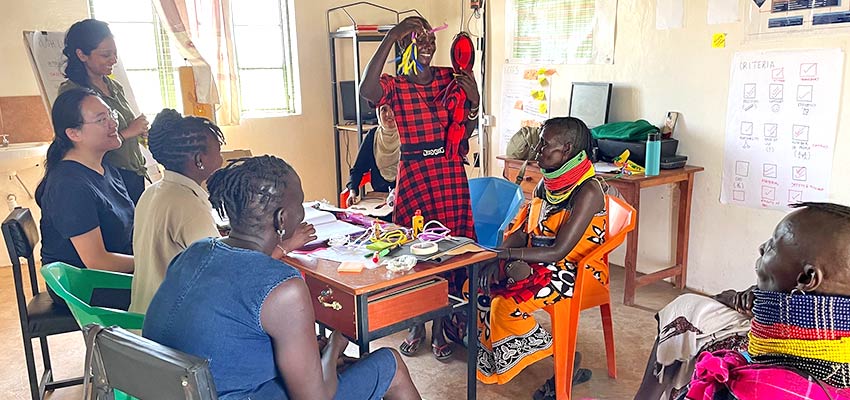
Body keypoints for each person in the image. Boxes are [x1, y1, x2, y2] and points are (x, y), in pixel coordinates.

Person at [143, 156, 421, 400]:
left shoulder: (196, 251)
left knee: (324, 366)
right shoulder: (282, 286)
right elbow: (316, 398)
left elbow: (230, 336)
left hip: (191, 390)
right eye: (300, 203)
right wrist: (337, 342)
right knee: (390, 363)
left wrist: (316, 354)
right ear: (282, 219)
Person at [636, 202, 850, 400]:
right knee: (688, 306)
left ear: (806, 278)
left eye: (774, 245)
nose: (762, 247)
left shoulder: (746, 390)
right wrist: (754, 296)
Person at [360, 15, 479, 362]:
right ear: (403, 44)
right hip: (415, 173)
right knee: (414, 253)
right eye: (417, 39)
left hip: (449, 172)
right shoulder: (394, 86)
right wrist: (392, 35)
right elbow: (366, 90)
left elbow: (466, 129)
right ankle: (416, 323)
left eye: (430, 39)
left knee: (448, 250)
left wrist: (473, 101)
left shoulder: (449, 77)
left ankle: (442, 325)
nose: (426, 45)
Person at [474, 117, 605, 394]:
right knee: (477, 285)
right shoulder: (549, 184)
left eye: (545, 145)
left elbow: (559, 251)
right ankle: (511, 352)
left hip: (576, 270)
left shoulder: (588, 191)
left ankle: (564, 359)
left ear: (567, 150)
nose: (537, 152)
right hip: (539, 259)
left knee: (503, 306)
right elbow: (525, 229)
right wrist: (497, 256)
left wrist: (506, 254)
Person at [36, 87, 135, 309]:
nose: (112, 123)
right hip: (84, 285)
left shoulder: (104, 168)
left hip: (111, 274)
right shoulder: (69, 185)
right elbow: (97, 261)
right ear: (74, 134)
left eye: (111, 114)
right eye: (101, 119)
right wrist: (153, 263)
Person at [128, 109, 225, 315]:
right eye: (218, 151)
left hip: (143, 317)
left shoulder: (153, 191)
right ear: (199, 160)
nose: (222, 159)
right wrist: (281, 248)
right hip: (168, 329)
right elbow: (222, 271)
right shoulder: (187, 204)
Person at [60, 19, 149, 204]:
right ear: (82, 55)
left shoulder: (114, 86)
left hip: (132, 172)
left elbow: (125, 127)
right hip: (106, 177)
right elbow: (82, 144)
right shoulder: (73, 93)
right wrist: (129, 131)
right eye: (105, 55)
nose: (114, 60)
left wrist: (140, 132)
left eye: (115, 53)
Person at [342, 104, 399, 207]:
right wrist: (353, 191)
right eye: (384, 110)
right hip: (379, 199)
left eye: (393, 109)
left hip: (404, 197)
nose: (388, 114)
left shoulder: (407, 135)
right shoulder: (373, 136)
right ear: (378, 113)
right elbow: (358, 168)